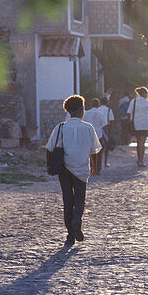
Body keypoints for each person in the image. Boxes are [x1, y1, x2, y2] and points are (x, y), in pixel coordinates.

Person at [45, 95, 102, 246]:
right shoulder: (88, 128)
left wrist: (49, 166)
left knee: (67, 200)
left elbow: (49, 149)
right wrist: (94, 167)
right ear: (81, 110)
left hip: (64, 169)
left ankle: (70, 235)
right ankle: (77, 220)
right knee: (80, 200)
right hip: (81, 169)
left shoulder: (60, 127)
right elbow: (94, 150)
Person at [128, 86, 148, 166]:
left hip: (136, 125)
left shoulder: (133, 101)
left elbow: (129, 112)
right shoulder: (147, 102)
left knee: (138, 143)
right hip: (144, 125)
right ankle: (141, 160)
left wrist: (129, 122)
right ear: (144, 93)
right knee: (142, 143)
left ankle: (139, 159)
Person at [83, 98, 113, 174]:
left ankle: (90, 168)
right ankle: (97, 169)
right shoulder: (101, 114)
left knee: (89, 152)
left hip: (88, 134)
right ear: (98, 105)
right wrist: (106, 136)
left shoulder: (86, 113)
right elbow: (104, 126)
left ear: (91, 105)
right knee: (99, 152)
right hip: (98, 135)